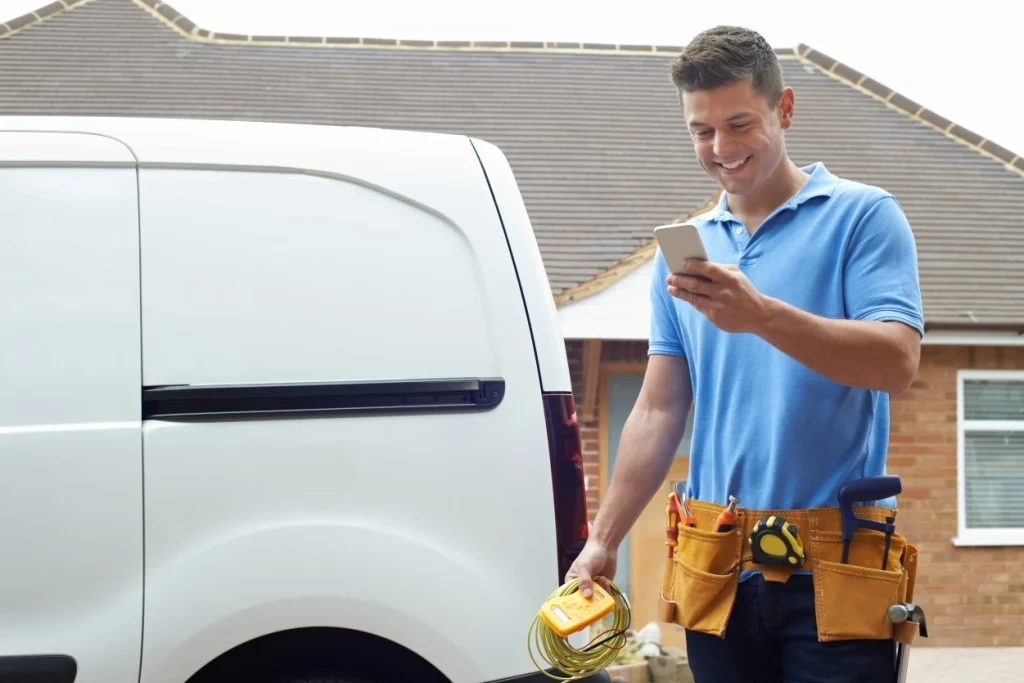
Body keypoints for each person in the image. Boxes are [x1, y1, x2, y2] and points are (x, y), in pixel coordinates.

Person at [566, 25, 923, 683]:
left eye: (739, 124)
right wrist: (603, 539)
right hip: (716, 565)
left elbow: (896, 362)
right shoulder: (687, 249)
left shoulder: (863, 217)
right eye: (702, 131)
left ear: (784, 109)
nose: (721, 149)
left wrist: (760, 315)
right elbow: (657, 406)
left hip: (834, 569)